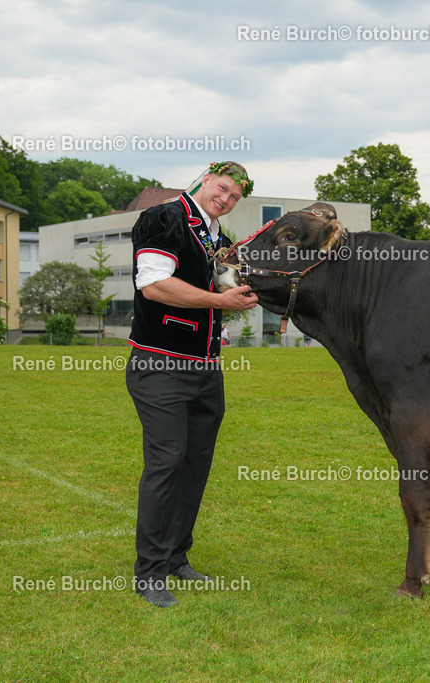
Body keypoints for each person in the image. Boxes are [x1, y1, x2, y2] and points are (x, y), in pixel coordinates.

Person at [125, 161, 258, 608]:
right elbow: (154, 286)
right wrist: (220, 301)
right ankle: (149, 572)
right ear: (204, 179)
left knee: (195, 464)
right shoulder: (164, 217)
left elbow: (217, 284)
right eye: (222, 188)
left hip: (205, 369)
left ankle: (175, 556)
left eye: (234, 196)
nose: (226, 199)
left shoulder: (217, 234)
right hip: (160, 363)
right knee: (167, 462)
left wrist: (243, 289)